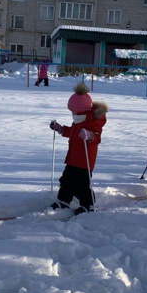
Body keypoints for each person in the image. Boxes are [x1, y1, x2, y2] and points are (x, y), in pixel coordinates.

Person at [49, 84, 108, 214]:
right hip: (73, 158)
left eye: (74, 111)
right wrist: (61, 129)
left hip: (85, 161)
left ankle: (88, 205)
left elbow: (97, 138)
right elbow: (72, 132)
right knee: (66, 180)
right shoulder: (78, 120)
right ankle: (63, 200)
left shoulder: (93, 121)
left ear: (83, 111)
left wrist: (90, 136)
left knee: (82, 185)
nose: (73, 114)